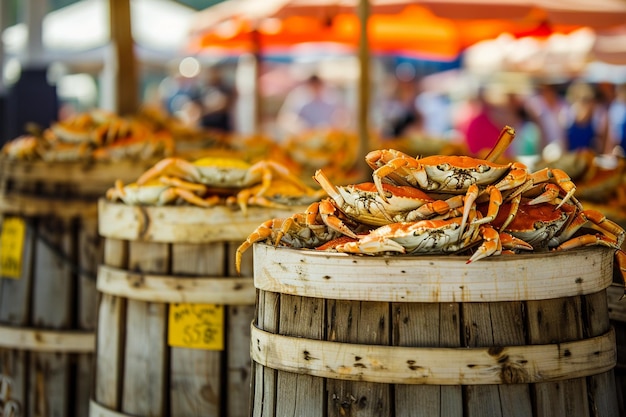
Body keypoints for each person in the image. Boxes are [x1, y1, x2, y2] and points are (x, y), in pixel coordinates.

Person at [276, 74, 350, 139]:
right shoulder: (298, 99)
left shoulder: (331, 98)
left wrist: (336, 126)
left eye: (317, 86)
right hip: (304, 138)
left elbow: (342, 116)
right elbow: (287, 119)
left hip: (327, 137)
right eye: (314, 86)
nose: (316, 88)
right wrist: (302, 129)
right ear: (309, 85)